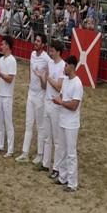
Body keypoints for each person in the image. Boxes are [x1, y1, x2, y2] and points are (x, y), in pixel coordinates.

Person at [16, 34, 50, 163]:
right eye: (35, 40)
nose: (35, 42)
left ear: (43, 44)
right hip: (31, 93)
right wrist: (30, 84)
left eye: (38, 41)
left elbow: (45, 81)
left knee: (40, 126)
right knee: (28, 123)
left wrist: (41, 80)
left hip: (40, 95)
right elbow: (31, 73)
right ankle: (25, 153)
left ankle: (40, 154)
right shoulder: (32, 55)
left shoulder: (46, 59)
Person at [52, 55, 83, 192]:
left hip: (71, 123)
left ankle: (72, 183)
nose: (64, 68)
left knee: (71, 153)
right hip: (63, 120)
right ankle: (63, 177)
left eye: (65, 65)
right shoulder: (65, 81)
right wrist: (57, 99)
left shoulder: (77, 83)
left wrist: (61, 102)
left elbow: (74, 105)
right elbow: (63, 96)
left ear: (71, 66)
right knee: (63, 151)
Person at [38, 40, 65, 177]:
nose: (51, 53)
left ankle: (57, 168)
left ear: (58, 52)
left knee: (57, 139)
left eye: (53, 50)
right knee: (46, 135)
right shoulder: (50, 63)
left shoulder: (62, 66)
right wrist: (42, 78)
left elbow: (59, 86)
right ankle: (45, 163)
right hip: (47, 102)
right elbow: (46, 84)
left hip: (55, 105)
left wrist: (47, 78)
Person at [0, 35, 17, 157]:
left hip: (7, 96)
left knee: (8, 122)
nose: (1, 46)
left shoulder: (12, 60)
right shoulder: (1, 60)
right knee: (0, 121)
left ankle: (10, 149)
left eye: (2, 44)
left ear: (7, 46)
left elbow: (9, 79)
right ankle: (0, 144)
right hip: (0, 93)